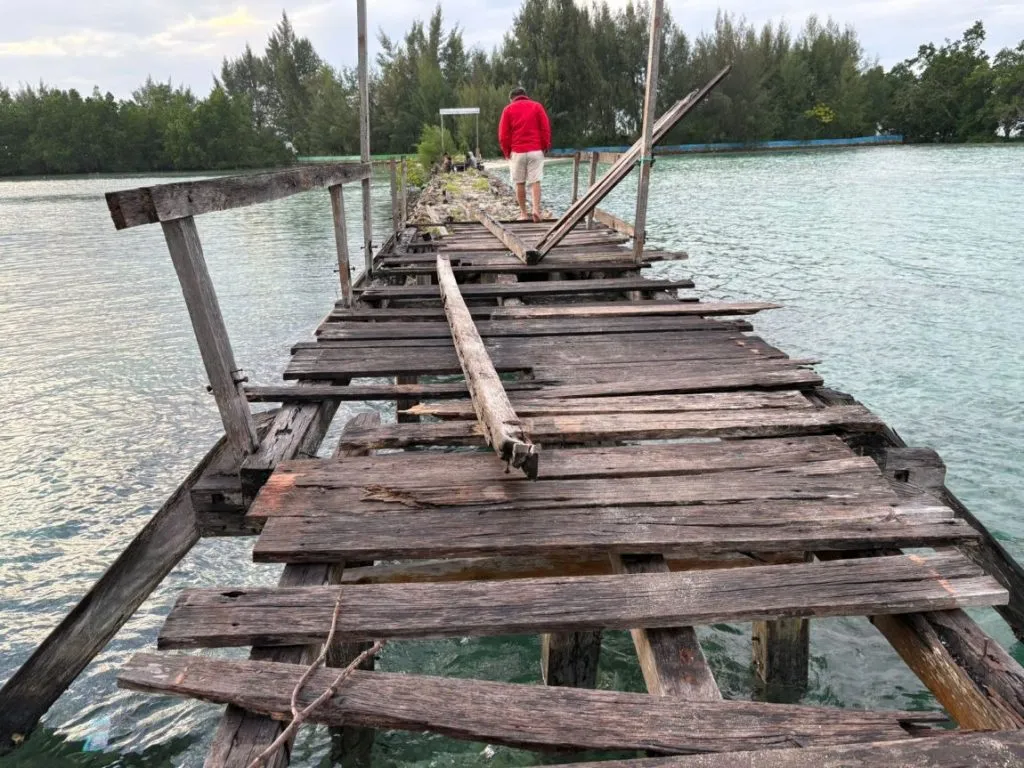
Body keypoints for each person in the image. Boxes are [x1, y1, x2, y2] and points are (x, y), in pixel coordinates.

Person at [498, 87, 551, 222]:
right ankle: (536, 210)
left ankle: (523, 213)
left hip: (517, 151)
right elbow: (545, 128)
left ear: (512, 99)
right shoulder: (537, 106)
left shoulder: (508, 110)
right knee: (535, 181)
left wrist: (506, 152)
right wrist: (545, 146)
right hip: (535, 150)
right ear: (525, 95)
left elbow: (503, 135)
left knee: (519, 182)